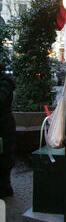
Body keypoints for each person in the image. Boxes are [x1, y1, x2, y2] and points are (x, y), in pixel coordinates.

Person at [0, 62, 16, 198]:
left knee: (5, 155)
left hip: (4, 125)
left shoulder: (5, 82)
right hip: (4, 123)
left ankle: (5, 187)